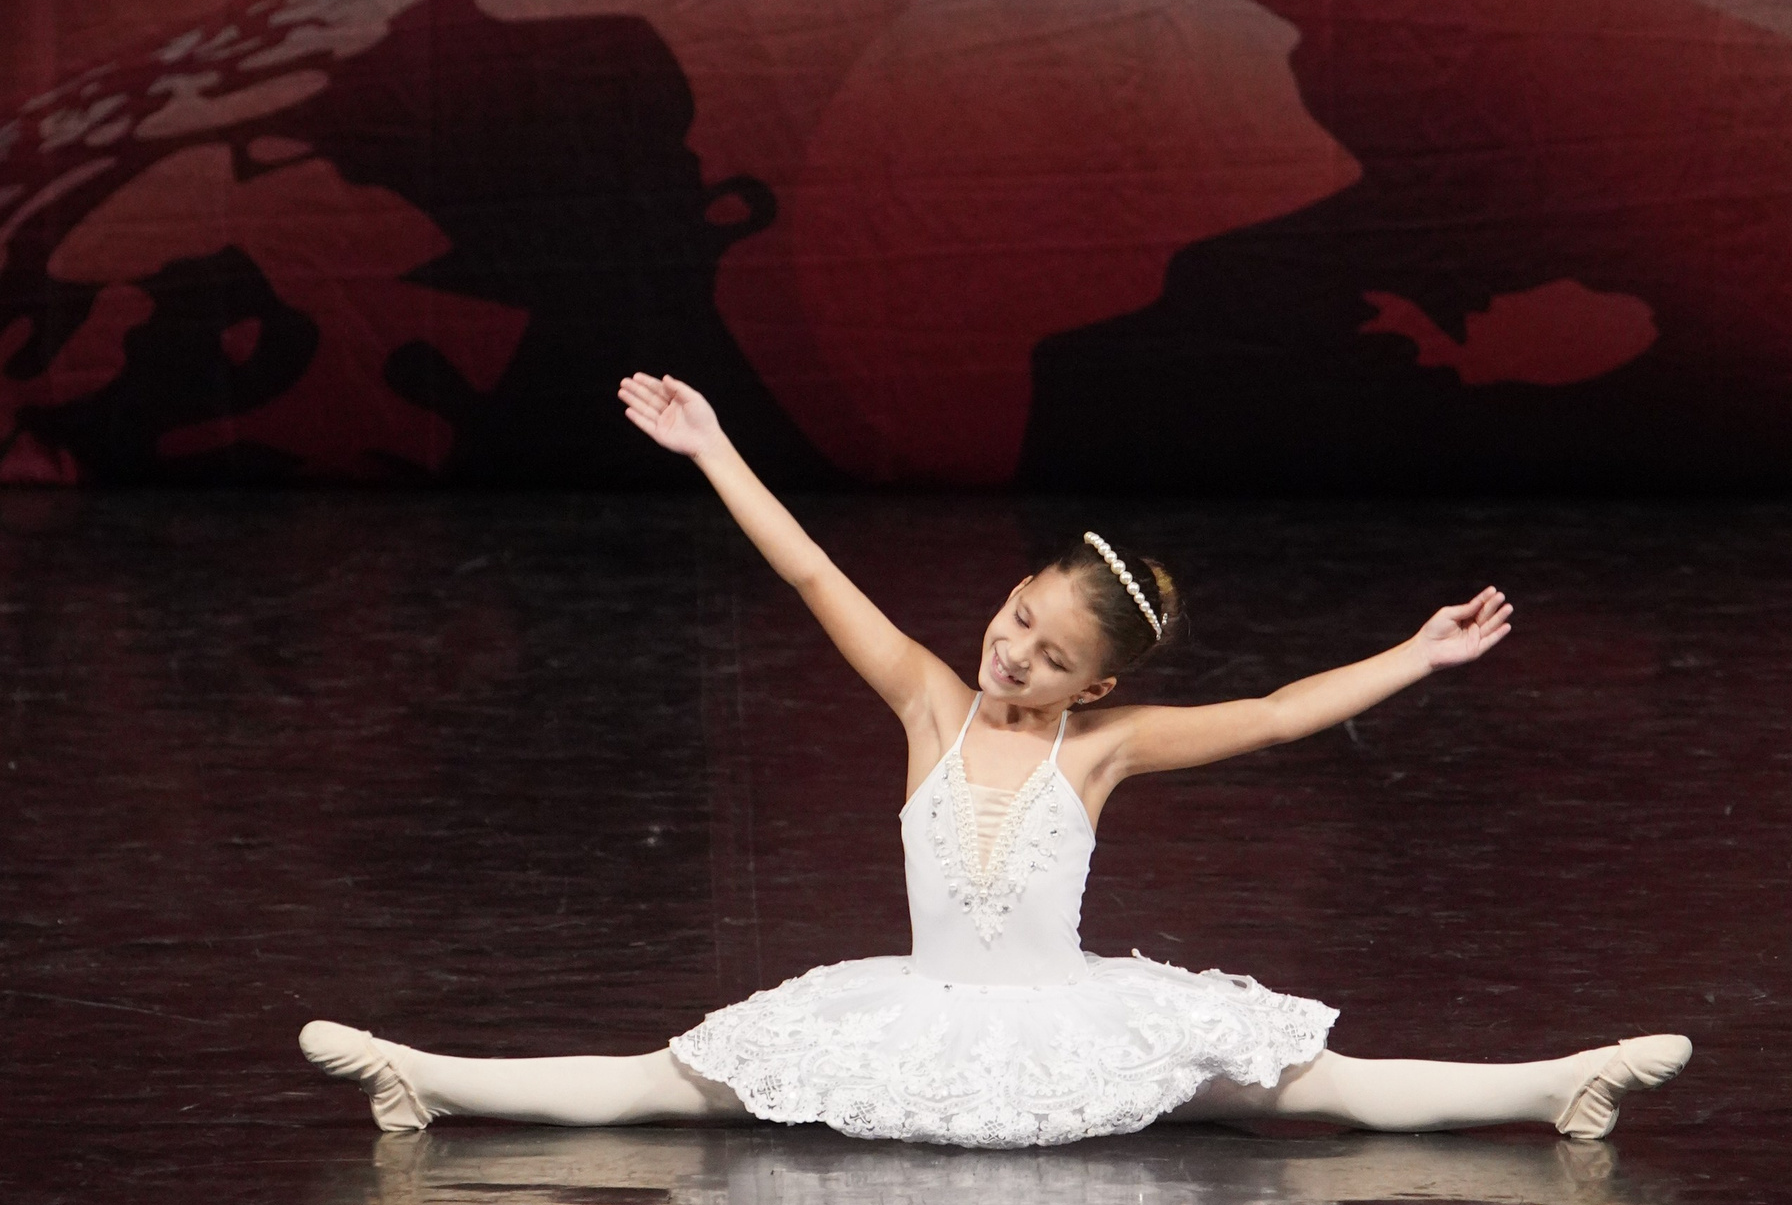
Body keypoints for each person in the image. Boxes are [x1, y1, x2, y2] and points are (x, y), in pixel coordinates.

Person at [301, 373, 1691, 1147]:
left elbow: (1276, 713)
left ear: (1097, 685)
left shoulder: (1105, 749)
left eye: (1047, 653)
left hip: (1067, 1020)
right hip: (915, 1010)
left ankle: (1558, 1080)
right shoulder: (928, 704)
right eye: (1017, 618)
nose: (1012, 653)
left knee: (1313, 1085)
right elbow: (811, 572)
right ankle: (422, 1072)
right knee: (673, 1080)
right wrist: (712, 445)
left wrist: (1414, 656)